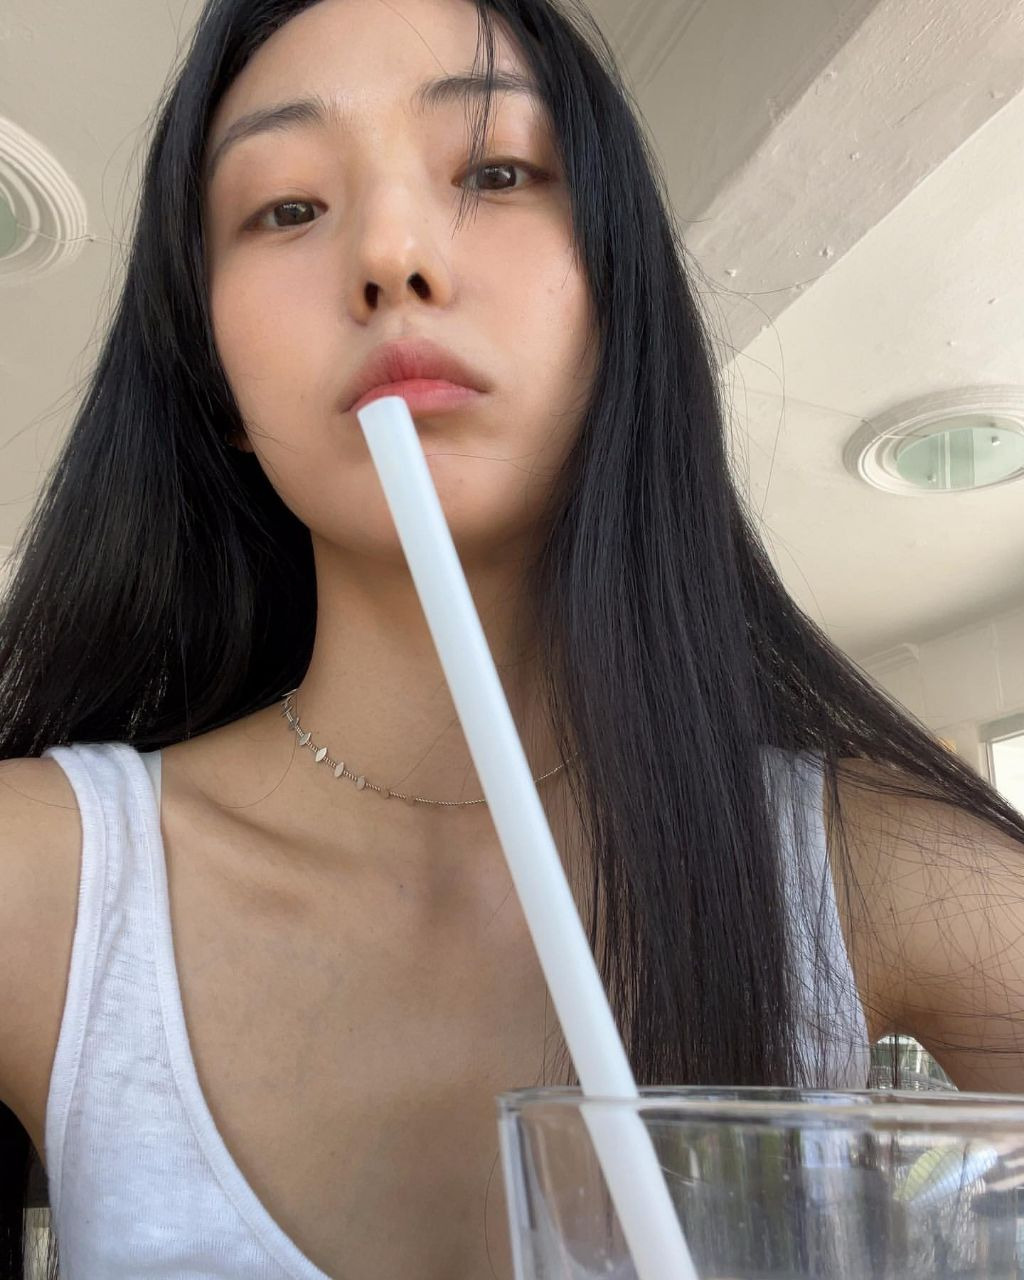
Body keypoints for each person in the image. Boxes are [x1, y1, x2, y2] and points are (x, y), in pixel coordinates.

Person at [1, 0, 1022, 1275]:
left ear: (618, 296)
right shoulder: (41, 877)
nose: (390, 254)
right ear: (214, 378)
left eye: (495, 172)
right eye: (287, 207)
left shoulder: (882, 864)